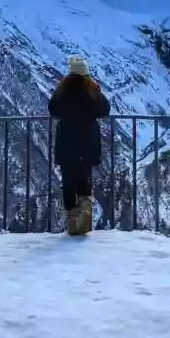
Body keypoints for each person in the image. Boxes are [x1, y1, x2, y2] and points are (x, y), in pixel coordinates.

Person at [48, 55, 111, 233]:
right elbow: (105, 109)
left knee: (68, 180)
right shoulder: (91, 90)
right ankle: (85, 211)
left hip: (67, 142)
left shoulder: (64, 90)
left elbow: (52, 109)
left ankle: (72, 220)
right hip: (87, 143)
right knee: (84, 179)